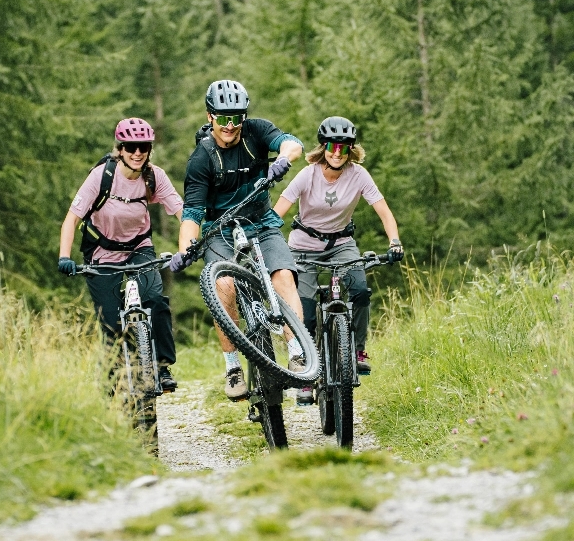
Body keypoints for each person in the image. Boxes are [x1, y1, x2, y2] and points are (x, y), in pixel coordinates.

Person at [169, 79, 307, 401]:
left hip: (261, 222)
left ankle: (298, 351)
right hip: (220, 231)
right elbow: (191, 215)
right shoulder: (201, 159)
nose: (230, 126)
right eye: (222, 118)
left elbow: (292, 143)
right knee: (224, 286)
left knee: (283, 277)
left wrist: (282, 160)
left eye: (236, 118)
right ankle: (233, 366)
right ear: (210, 117)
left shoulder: (257, 132)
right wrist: (185, 249)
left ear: (244, 117)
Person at [273, 116, 403, 403]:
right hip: (303, 247)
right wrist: (267, 241)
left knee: (359, 288)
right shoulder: (307, 174)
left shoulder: (359, 175)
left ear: (349, 150)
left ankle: (357, 350)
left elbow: (384, 211)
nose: (336, 152)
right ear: (323, 146)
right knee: (303, 305)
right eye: (331, 146)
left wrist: (394, 241)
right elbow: (277, 211)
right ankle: (306, 371)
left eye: (343, 147)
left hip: (342, 244)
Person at [58, 118, 183, 392]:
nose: (137, 152)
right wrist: (64, 257)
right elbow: (71, 220)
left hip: (139, 249)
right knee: (112, 324)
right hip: (102, 254)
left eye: (144, 147)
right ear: (120, 148)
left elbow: (182, 212)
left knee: (156, 302)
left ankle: (162, 368)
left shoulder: (154, 176)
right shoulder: (101, 176)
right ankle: (111, 386)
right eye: (131, 146)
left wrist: (189, 244)